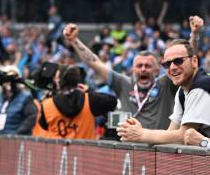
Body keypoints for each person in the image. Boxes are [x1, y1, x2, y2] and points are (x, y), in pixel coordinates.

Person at [62, 16, 204, 130]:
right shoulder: (124, 83)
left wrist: (195, 34)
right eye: (139, 66)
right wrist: (74, 41)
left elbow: (185, 60)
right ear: (133, 69)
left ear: (156, 70)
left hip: (161, 152)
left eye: (148, 66)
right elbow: (95, 63)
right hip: (130, 152)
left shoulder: (165, 83)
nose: (143, 69)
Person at [117, 39, 210, 144]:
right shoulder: (182, 90)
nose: (172, 67)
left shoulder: (201, 86)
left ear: (194, 61)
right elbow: (172, 134)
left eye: (178, 61)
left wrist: (141, 134)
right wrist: (136, 132)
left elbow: (183, 135)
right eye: (167, 64)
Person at [34, 65, 117, 139]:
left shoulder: (47, 104)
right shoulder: (89, 99)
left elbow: (43, 125)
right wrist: (89, 91)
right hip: (85, 152)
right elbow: (112, 102)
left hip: (59, 153)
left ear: (59, 81)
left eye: (56, 77)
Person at [0, 65, 36, 135]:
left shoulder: (25, 97)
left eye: (11, 80)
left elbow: (31, 118)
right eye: (6, 80)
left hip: (15, 139)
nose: (8, 83)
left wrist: (17, 134)